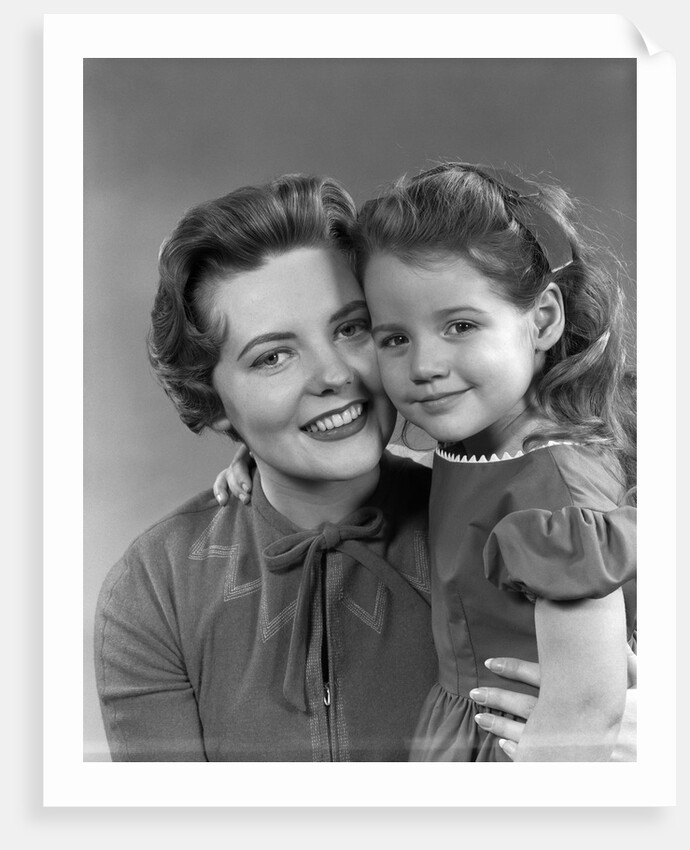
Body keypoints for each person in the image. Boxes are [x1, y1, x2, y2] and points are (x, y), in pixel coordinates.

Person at [94, 173, 543, 762]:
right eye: (273, 357)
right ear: (212, 400)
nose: (334, 374)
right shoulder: (158, 587)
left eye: (352, 328)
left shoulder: (503, 523)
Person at [355, 162, 637, 761]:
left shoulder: (555, 487)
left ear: (543, 320)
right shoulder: (490, 449)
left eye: (459, 325)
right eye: (394, 338)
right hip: (467, 732)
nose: (423, 364)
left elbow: (588, 705)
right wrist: (260, 465)